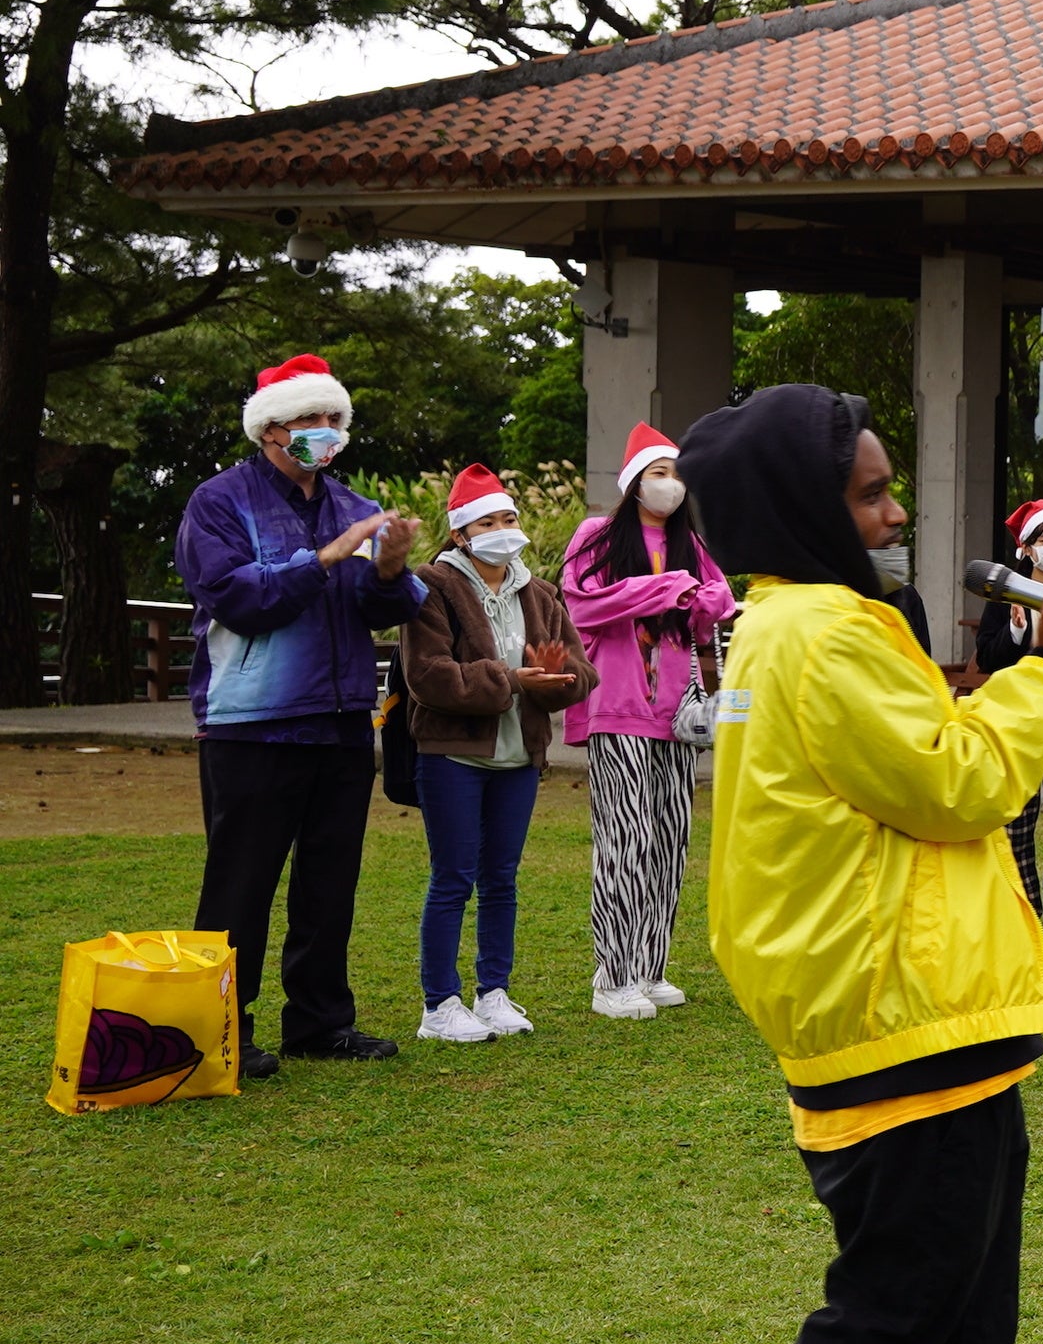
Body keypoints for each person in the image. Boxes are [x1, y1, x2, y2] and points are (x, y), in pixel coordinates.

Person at [576, 384, 1043, 1344]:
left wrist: (1026, 676)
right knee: (890, 1323)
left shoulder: (800, 625)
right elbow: (962, 783)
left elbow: (922, 761)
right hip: (899, 1016)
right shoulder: (824, 633)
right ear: (801, 506)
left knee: (956, 1326)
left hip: (919, 1013)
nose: (893, 515)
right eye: (871, 493)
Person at [176, 351, 425, 1074]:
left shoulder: (353, 505)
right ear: (270, 429)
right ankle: (219, 1029)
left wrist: (388, 569)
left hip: (343, 718)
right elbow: (234, 596)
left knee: (330, 881)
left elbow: (381, 608)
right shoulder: (218, 501)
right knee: (241, 882)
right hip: (252, 723)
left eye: (332, 417)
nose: (325, 430)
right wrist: (323, 559)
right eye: (309, 418)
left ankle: (320, 1022)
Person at [400, 465, 590, 1043]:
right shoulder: (432, 585)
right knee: (453, 878)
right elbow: (427, 674)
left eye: (508, 518)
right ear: (460, 533)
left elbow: (582, 671)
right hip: (452, 757)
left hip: (518, 758)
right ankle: (440, 1004)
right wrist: (510, 678)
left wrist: (558, 677)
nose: (502, 529)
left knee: (501, 879)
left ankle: (494, 993)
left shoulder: (541, 593)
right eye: (487, 522)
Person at [563, 423, 735, 1019]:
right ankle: (612, 978)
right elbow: (581, 602)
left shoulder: (691, 543)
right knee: (624, 841)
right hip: (619, 711)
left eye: (678, 474)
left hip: (677, 715)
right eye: (660, 473)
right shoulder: (597, 535)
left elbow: (720, 600)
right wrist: (665, 589)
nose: (671, 484)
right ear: (634, 481)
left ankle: (649, 968)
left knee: (668, 842)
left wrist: (697, 596)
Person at [973, 497, 1043, 950]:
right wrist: (1017, 632)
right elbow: (989, 657)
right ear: (1027, 548)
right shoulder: (1009, 594)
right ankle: (1024, 914)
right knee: (1017, 821)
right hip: (1017, 722)